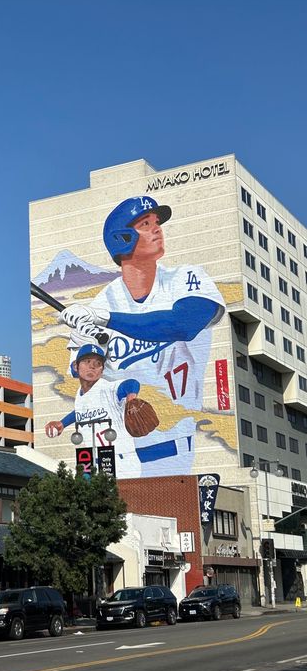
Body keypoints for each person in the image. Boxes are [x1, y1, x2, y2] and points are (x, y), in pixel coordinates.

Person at [59, 196, 225, 477]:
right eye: (145, 224)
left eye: (157, 223)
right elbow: (82, 380)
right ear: (122, 238)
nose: (157, 229)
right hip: (112, 451)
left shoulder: (186, 278)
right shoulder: (99, 305)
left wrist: (106, 320)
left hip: (171, 447)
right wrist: (87, 344)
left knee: (170, 520)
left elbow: (183, 324)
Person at [45, 344, 142, 477]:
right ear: (76, 366)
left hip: (121, 461)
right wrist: (62, 423)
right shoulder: (79, 395)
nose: (92, 366)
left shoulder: (107, 389)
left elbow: (131, 383)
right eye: (87, 361)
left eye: (97, 363)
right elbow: (79, 412)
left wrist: (131, 399)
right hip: (93, 463)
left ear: (102, 370)